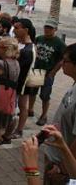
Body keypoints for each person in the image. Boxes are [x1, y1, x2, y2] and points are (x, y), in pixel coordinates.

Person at [42, 43, 76, 183]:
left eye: (65, 60)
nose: (61, 64)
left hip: (60, 166)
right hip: (55, 158)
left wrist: (62, 168)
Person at [0, 18, 36, 142]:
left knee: (17, 108)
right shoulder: (19, 44)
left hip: (21, 83)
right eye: (14, 27)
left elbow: (18, 69)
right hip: (16, 83)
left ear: (25, 30)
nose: (14, 30)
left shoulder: (28, 50)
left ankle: (13, 132)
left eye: (17, 28)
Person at [28, 18, 66, 126]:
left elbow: (63, 59)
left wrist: (54, 71)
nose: (47, 29)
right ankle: (30, 109)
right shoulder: (39, 38)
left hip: (48, 72)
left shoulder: (59, 43)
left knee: (45, 95)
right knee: (32, 92)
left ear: (55, 29)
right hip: (37, 69)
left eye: (50, 28)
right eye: (46, 27)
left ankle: (44, 115)